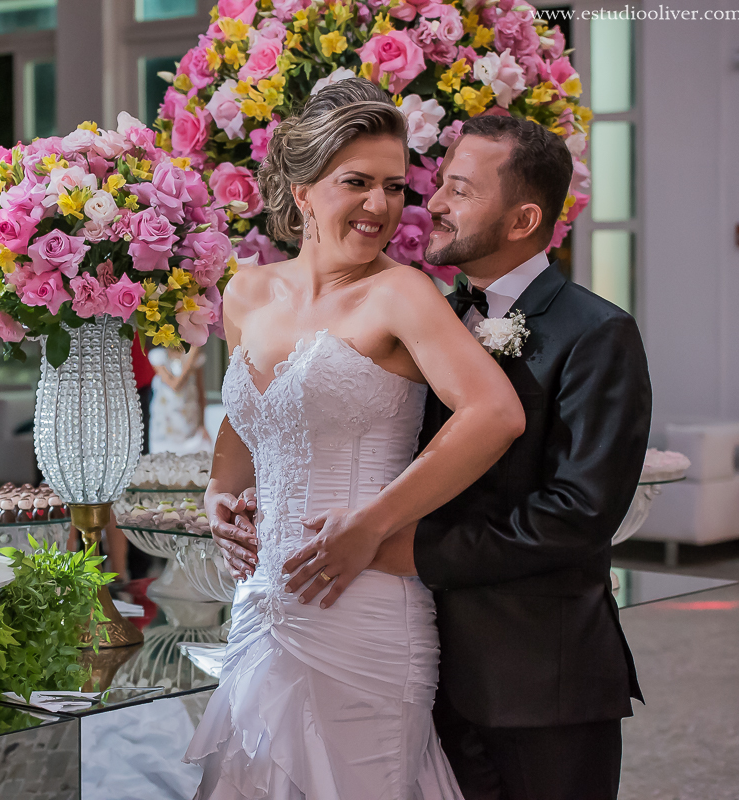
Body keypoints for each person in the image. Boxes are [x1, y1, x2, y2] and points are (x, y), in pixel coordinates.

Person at [211, 113, 652, 800]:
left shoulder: (596, 334)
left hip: (536, 673)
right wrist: (238, 497)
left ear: (522, 217)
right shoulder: (439, 309)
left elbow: (578, 514)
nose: (424, 205)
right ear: (301, 192)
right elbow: (299, 429)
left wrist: (400, 545)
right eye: (433, 183)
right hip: (393, 632)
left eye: (455, 189)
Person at [186, 78, 526, 799]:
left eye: (395, 187)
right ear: (303, 189)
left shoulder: (401, 293)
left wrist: (372, 526)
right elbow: (247, 420)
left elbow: (494, 415)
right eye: (357, 183)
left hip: (365, 610)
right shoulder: (246, 292)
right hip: (259, 609)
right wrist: (220, 493)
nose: (381, 205)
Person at [148, 345, 211, 455]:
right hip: (165, 426)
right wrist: (190, 358)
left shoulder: (196, 359)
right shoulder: (159, 357)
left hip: (189, 423)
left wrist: (203, 425)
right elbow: (175, 386)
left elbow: (200, 391)